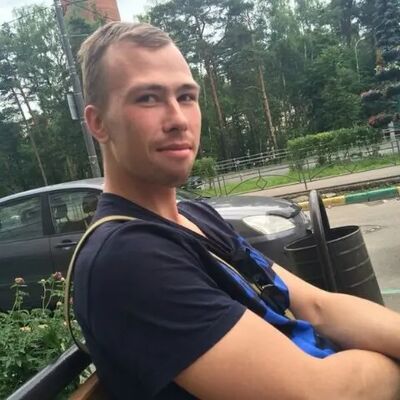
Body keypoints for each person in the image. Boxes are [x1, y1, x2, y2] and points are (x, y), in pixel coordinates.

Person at [73, 21, 400, 400]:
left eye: (186, 96)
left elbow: (317, 305)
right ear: (98, 123)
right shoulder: (127, 258)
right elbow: (319, 394)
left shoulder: (196, 216)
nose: (178, 119)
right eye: (147, 98)